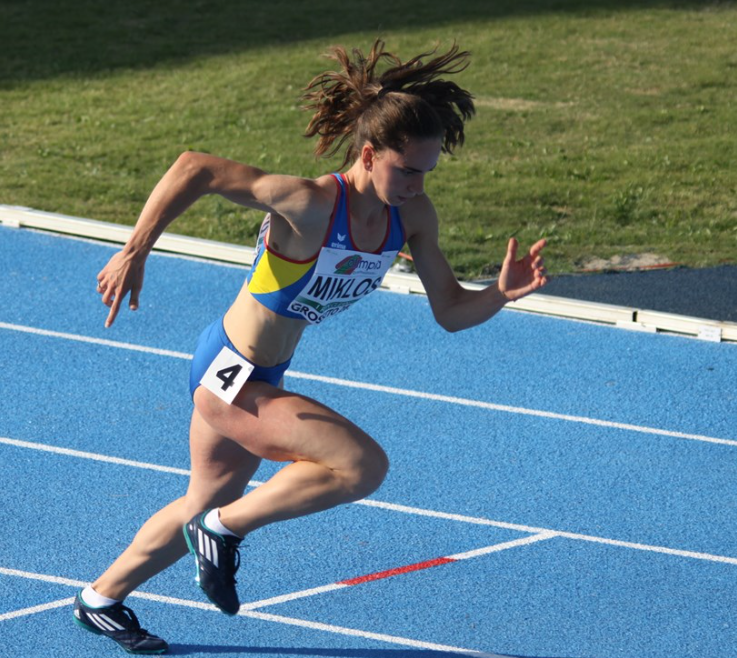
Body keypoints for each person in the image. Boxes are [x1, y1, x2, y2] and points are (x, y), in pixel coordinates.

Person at [73, 39, 548, 654]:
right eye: (406, 168)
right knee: (361, 466)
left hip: (260, 373)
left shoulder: (414, 217)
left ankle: (101, 598)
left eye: (427, 171)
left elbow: (452, 312)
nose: (415, 183)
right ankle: (224, 530)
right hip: (230, 375)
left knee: (201, 499)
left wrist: (499, 295)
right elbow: (195, 166)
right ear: (370, 153)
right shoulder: (312, 202)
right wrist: (135, 250)